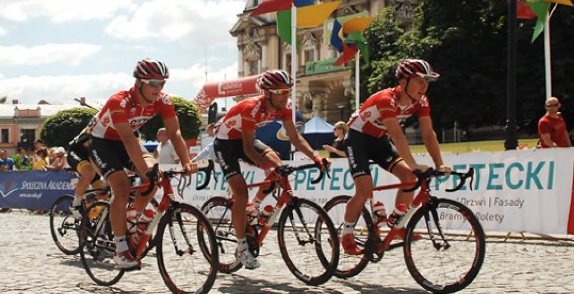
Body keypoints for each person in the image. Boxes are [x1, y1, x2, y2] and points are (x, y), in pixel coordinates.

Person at [89, 58, 197, 269]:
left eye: (162, 83)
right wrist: (143, 170)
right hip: (103, 143)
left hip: (128, 141)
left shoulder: (163, 101)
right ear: (139, 82)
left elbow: (174, 132)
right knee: (121, 186)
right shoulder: (119, 101)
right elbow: (128, 140)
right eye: (153, 83)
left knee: (153, 176)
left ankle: (131, 218)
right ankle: (120, 250)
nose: (159, 88)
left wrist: (187, 162)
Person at [212, 69, 324, 269]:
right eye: (281, 92)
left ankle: (254, 205)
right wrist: (266, 169)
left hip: (247, 140)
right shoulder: (251, 108)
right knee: (241, 192)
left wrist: (315, 156)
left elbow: (295, 137)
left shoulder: (286, 106)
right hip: (226, 143)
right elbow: (246, 148)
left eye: (288, 91)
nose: (286, 96)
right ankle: (242, 247)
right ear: (268, 93)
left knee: (278, 165)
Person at [340, 59, 450, 255]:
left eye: (427, 82)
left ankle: (396, 223)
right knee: (364, 189)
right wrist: (414, 163)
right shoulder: (386, 99)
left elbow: (428, 133)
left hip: (379, 140)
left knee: (409, 178)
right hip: (357, 139)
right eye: (419, 81)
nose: (424, 86)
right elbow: (397, 134)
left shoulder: (421, 101)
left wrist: (439, 164)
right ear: (403, 82)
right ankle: (346, 232)